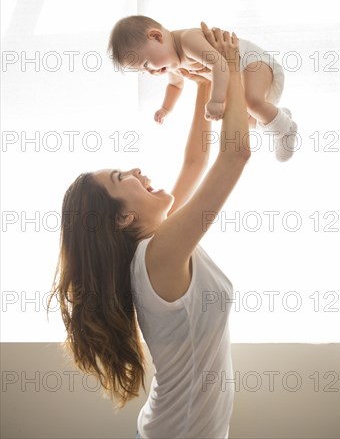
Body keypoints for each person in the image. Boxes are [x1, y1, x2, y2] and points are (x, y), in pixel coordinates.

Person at [47, 25, 251, 439]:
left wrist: (204, 85)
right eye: (123, 177)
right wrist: (231, 66)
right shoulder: (159, 256)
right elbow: (236, 155)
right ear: (121, 218)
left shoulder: (158, 246)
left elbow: (196, 161)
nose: (137, 170)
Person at [108, 15, 298, 162]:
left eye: (147, 63)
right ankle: (277, 116)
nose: (150, 72)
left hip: (255, 63)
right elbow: (174, 85)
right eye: (143, 71)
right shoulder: (174, 63)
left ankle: (285, 129)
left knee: (251, 101)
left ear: (156, 36)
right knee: (236, 113)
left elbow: (220, 65)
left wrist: (215, 100)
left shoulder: (187, 40)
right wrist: (166, 108)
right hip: (240, 77)